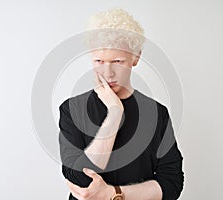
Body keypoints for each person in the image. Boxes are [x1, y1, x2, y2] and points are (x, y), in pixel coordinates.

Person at [58, 8, 184, 200]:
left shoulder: (157, 113)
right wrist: (115, 114)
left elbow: (172, 184)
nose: (107, 72)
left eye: (117, 61)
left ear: (136, 57)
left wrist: (114, 194)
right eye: (99, 60)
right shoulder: (72, 109)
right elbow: (81, 179)